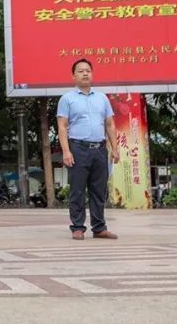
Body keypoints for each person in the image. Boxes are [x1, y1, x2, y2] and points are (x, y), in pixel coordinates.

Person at [57, 58, 119, 240]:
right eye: (80, 71)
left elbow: (109, 124)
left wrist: (114, 149)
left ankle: (99, 228)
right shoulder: (67, 99)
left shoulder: (102, 98)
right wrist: (66, 151)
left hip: (100, 149)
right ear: (73, 75)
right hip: (78, 148)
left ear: (92, 74)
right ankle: (77, 227)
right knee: (77, 190)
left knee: (99, 190)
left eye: (88, 71)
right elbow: (62, 126)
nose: (85, 73)